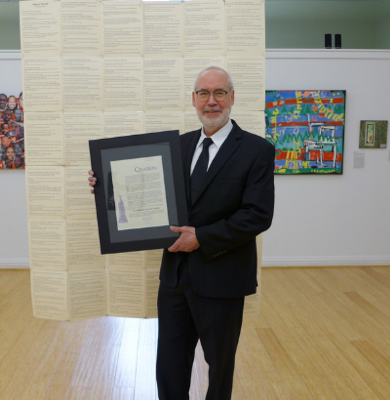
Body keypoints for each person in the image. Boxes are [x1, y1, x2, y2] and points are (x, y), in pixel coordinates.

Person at [88, 66, 275, 400]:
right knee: (170, 367)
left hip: (223, 278)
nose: (211, 101)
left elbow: (257, 215)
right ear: (194, 100)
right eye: (204, 93)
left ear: (232, 97)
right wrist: (106, 184)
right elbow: (146, 192)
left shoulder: (256, 150)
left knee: (219, 367)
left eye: (219, 93)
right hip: (174, 279)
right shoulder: (176, 145)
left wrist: (201, 237)